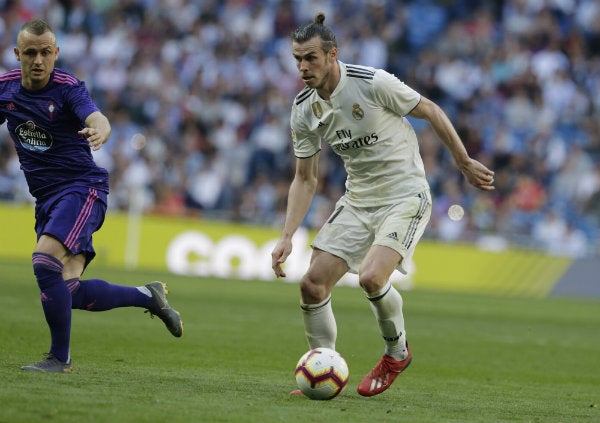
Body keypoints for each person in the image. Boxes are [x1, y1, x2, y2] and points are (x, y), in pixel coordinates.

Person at [271, 13, 495, 397]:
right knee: (311, 283)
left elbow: (431, 110)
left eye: (310, 58)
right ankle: (320, 367)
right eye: (297, 59)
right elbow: (305, 178)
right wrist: (287, 235)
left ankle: (397, 353)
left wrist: (462, 162)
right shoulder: (304, 108)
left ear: (332, 55)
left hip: (405, 193)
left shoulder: (372, 82)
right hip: (359, 199)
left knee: (372, 277)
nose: (303, 67)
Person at [0, 19, 183, 373]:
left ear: (56, 53)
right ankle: (148, 296)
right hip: (47, 200)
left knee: (44, 261)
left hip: (82, 189)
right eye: (31, 53)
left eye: (45, 53)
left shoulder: (68, 87)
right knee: (66, 288)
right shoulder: (6, 89)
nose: (38, 60)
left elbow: (97, 117)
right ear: (17, 54)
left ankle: (59, 359)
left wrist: (101, 130)